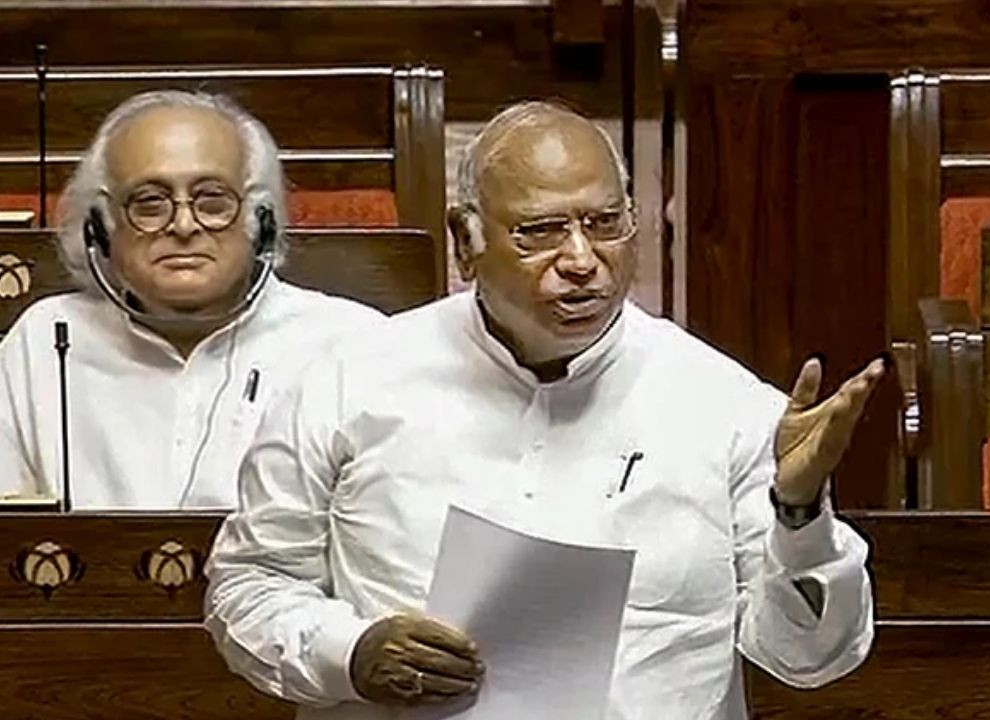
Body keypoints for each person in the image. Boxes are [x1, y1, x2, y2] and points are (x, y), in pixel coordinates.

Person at [205, 101, 885, 719]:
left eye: (606, 224)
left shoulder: (724, 405)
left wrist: (800, 517)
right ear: (466, 240)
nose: (582, 260)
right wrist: (350, 654)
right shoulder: (349, 378)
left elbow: (809, 659)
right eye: (540, 231)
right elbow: (248, 582)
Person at [0, 91, 382, 509]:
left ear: (260, 219)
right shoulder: (42, 342)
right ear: (102, 226)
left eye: (212, 201)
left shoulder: (353, 345)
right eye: (149, 203)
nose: (183, 226)